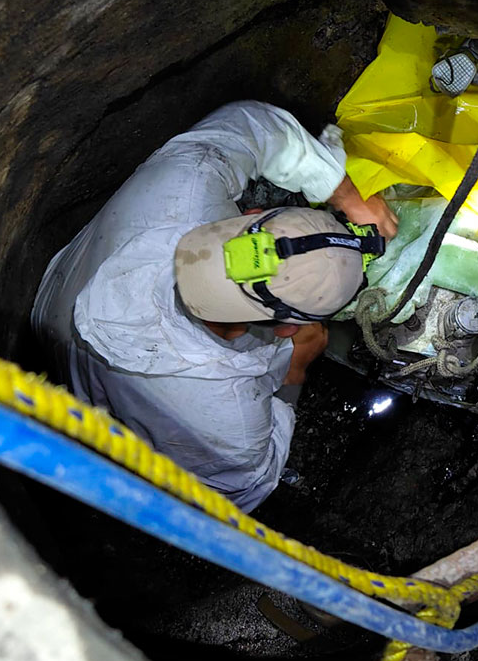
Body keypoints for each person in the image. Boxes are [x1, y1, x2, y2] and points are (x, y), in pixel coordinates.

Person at [31, 100, 398, 512]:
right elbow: (245, 491)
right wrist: (294, 372)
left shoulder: (186, 181)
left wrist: (345, 194)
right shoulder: (228, 424)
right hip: (92, 405)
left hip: (51, 305)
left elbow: (251, 125)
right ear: (286, 329)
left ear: (255, 216)